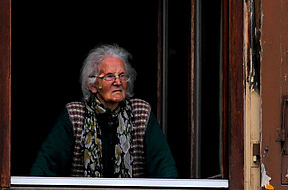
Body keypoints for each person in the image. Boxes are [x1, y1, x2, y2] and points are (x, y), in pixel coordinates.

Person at [29, 44, 177, 178]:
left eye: (122, 76)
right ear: (92, 85)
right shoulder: (75, 115)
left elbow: (164, 167)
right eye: (109, 76)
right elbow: (45, 167)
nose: (118, 82)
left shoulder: (141, 113)